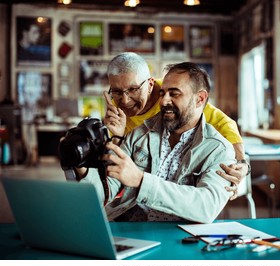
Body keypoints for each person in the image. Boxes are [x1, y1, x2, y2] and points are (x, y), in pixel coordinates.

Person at [76, 62, 236, 223]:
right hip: (130, 228)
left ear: (200, 99)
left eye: (174, 94)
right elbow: (107, 189)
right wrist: (79, 164)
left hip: (181, 237)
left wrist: (141, 180)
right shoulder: (139, 134)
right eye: (162, 93)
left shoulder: (219, 150)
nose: (164, 101)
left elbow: (206, 207)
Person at [102, 52, 250, 197]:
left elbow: (224, 123)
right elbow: (119, 164)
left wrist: (242, 163)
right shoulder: (115, 107)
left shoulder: (171, 94)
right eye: (117, 91)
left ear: (150, 84)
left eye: (133, 90)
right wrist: (116, 136)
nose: (125, 100)